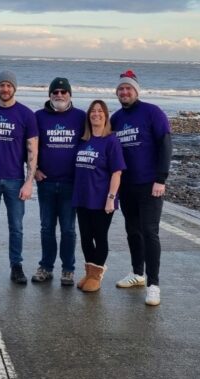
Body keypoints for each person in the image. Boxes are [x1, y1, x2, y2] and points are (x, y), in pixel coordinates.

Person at [111, 69, 172, 306]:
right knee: (132, 231)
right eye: (121, 89)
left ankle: (154, 284)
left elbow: (165, 144)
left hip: (150, 184)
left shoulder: (152, 112)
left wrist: (161, 178)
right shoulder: (116, 118)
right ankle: (137, 273)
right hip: (127, 185)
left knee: (150, 232)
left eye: (128, 89)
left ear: (136, 91)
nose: (124, 92)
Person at [0, 71, 39, 285]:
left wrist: (29, 181)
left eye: (9, 85)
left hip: (15, 179)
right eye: (1, 85)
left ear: (15, 88)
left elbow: (33, 149)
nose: (5, 89)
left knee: (17, 226)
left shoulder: (26, 114)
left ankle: (17, 266)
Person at [32, 77, 85, 286]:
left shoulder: (81, 117)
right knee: (46, 227)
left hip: (70, 184)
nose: (60, 95)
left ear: (70, 95)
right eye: (56, 92)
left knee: (68, 229)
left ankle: (68, 269)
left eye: (64, 92)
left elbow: (94, 141)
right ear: (50, 95)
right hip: (45, 183)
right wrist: (34, 169)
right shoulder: (38, 117)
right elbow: (27, 145)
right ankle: (46, 267)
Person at [73, 100, 125, 293]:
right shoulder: (83, 140)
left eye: (100, 111)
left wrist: (111, 197)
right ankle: (89, 272)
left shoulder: (111, 140)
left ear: (106, 115)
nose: (96, 114)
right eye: (93, 111)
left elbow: (116, 172)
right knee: (86, 237)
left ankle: (96, 276)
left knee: (100, 237)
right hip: (82, 197)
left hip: (102, 199)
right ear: (88, 115)